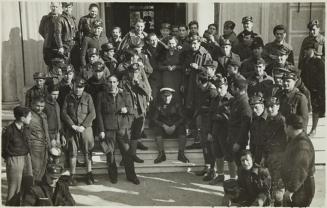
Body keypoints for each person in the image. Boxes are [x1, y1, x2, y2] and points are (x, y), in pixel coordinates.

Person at [96, 75, 140, 185]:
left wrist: (127, 109)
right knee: (110, 154)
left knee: (127, 153)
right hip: (108, 128)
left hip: (122, 128)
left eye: (114, 82)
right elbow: (99, 113)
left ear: (117, 83)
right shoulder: (101, 95)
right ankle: (113, 175)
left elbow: (133, 110)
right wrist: (101, 130)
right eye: (110, 82)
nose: (112, 84)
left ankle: (131, 176)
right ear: (107, 83)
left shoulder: (124, 94)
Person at [61, 77, 96, 185]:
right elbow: (64, 113)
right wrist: (72, 125)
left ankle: (89, 174)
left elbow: (92, 113)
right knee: (72, 152)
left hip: (85, 128)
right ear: (73, 86)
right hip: (72, 129)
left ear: (83, 87)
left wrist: (84, 126)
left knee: (87, 151)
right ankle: (72, 176)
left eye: (80, 87)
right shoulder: (68, 97)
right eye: (76, 87)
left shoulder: (88, 97)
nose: (78, 89)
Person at [2, 106, 33, 206]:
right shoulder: (9, 130)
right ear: (22, 118)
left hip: (26, 158)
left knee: (28, 183)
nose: (31, 118)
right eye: (29, 116)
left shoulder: (26, 128)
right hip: (14, 159)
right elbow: (4, 148)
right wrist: (10, 160)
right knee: (14, 187)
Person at [208, 75, 236, 185]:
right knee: (217, 153)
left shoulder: (231, 99)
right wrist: (210, 132)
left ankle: (233, 178)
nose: (219, 90)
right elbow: (210, 115)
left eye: (221, 87)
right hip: (216, 130)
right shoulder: (215, 99)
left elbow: (233, 118)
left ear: (227, 86)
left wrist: (222, 117)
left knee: (229, 155)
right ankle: (220, 175)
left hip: (227, 131)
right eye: (217, 87)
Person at [281, 114, 315, 207]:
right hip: (297, 186)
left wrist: (291, 190)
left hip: (301, 188)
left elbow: (300, 170)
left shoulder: (302, 144)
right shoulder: (296, 140)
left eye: (285, 126)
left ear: (289, 127)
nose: (284, 128)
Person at [121, 62, 151, 163]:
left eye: (137, 72)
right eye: (132, 72)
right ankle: (125, 156)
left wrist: (139, 84)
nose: (134, 74)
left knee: (136, 134)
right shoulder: (124, 83)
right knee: (126, 135)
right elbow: (119, 97)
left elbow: (148, 92)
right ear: (129, 73)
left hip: (140, 111)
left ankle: (133, 155)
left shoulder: (142, 82)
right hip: (128, 112)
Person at [192, 70, 218, 181]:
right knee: (204, 145)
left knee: (210, 146)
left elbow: (215, 108)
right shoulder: (200, 89)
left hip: (210, 122)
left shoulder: (212, 91)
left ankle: (213, 170)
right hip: (202, 120)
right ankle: (207, 167)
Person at [152, 88, 189, 163]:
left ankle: (181, 154)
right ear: (162, 96)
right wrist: (163, 125)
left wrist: (175, 125)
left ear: (172, 96)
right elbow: (154, 119)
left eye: (168, 96)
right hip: (164, 129)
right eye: (165, 96)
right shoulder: (158, 105)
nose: (167, 98)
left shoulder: (177, 104)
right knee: (157, 129)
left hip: (175, 128)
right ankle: (161, 154)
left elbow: (182, 117)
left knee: (182, 128)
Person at [263, 97, 287, 206]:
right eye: (267, 107)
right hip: (270, 155)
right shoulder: (268, 120)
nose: (269, 109)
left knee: (278, 185)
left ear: (278, 106)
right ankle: (272, 200)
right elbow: (266, 139)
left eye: (272, 106)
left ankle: (279, 203)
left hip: (280, 157)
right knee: (270, 181)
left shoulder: (282, 121)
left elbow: (287, 140)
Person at [300, 41, 325, 137]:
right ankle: (303, 129)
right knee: (304, 108)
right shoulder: (304, 61)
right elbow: (300, 74)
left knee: (315, 109)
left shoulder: (318, 62)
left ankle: (314, 129)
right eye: (305, 49)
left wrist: (320, 90)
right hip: (305, 87)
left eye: (309, 49)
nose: (306, 51)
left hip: (315, 89)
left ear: (313, 50)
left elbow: (322, 78)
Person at [229, 78, 252, 167]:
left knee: (242, 164)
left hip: (240, 141)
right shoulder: (237, 100)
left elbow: (245, 125)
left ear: (237, 89)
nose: (231, 90)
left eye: (232, 88)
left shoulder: (244, 103)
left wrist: (238, 142)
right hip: (234, 137)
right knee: (238, 163)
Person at [29, 97, 50, 182]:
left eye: (42, 106)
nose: (40, 108)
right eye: (37, 106)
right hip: (34, 146)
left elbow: (46, 130)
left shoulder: (43, 115)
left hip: (44, 146)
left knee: (43, 168)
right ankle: (31, 191)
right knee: (35, 169)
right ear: (32, 105)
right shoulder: (28, 116)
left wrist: (48, 143)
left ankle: (37, 189)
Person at [158, 36, 183, 103]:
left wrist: (176, 67)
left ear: (176, 44)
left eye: (173, 43)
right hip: (166, 78)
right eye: (169, 43)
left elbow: (183, 66)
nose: (171, 45)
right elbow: (159, 66)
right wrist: (166, 67)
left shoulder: (180, 53)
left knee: (177, 95)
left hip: (177, 77)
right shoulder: (163, 53)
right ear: (167, 44)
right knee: (167, 96)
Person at [39, 2, 62, 66]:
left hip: (60, 46)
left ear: (59, 7)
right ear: (50, 7)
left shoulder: (62, 18)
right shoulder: (45, 18)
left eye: (56, 7)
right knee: (50, 65)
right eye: (53, 6)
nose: (54, 8)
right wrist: (48, 37)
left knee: (60, 65)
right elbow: (40, 30)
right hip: (49, 47)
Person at [249, 93, 268, 165]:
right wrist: (252, 153)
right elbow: (252, 138)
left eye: (256, 107)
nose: (254, 110)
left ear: (262, 106)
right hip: (257, 152)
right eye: (252, 108)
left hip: (267, 154)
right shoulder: (254, 119)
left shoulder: (268, 119)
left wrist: (265, 156)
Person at [44, 84, 66, 149]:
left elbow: (59, 120)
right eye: (53, 94)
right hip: (49, 135)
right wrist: (50, 138)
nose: (56, 97)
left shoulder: (57, 104)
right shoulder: (44, 105)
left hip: (57, 134)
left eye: (57, 94)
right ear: (48, 93)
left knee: (57, 155)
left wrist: (62, 135)